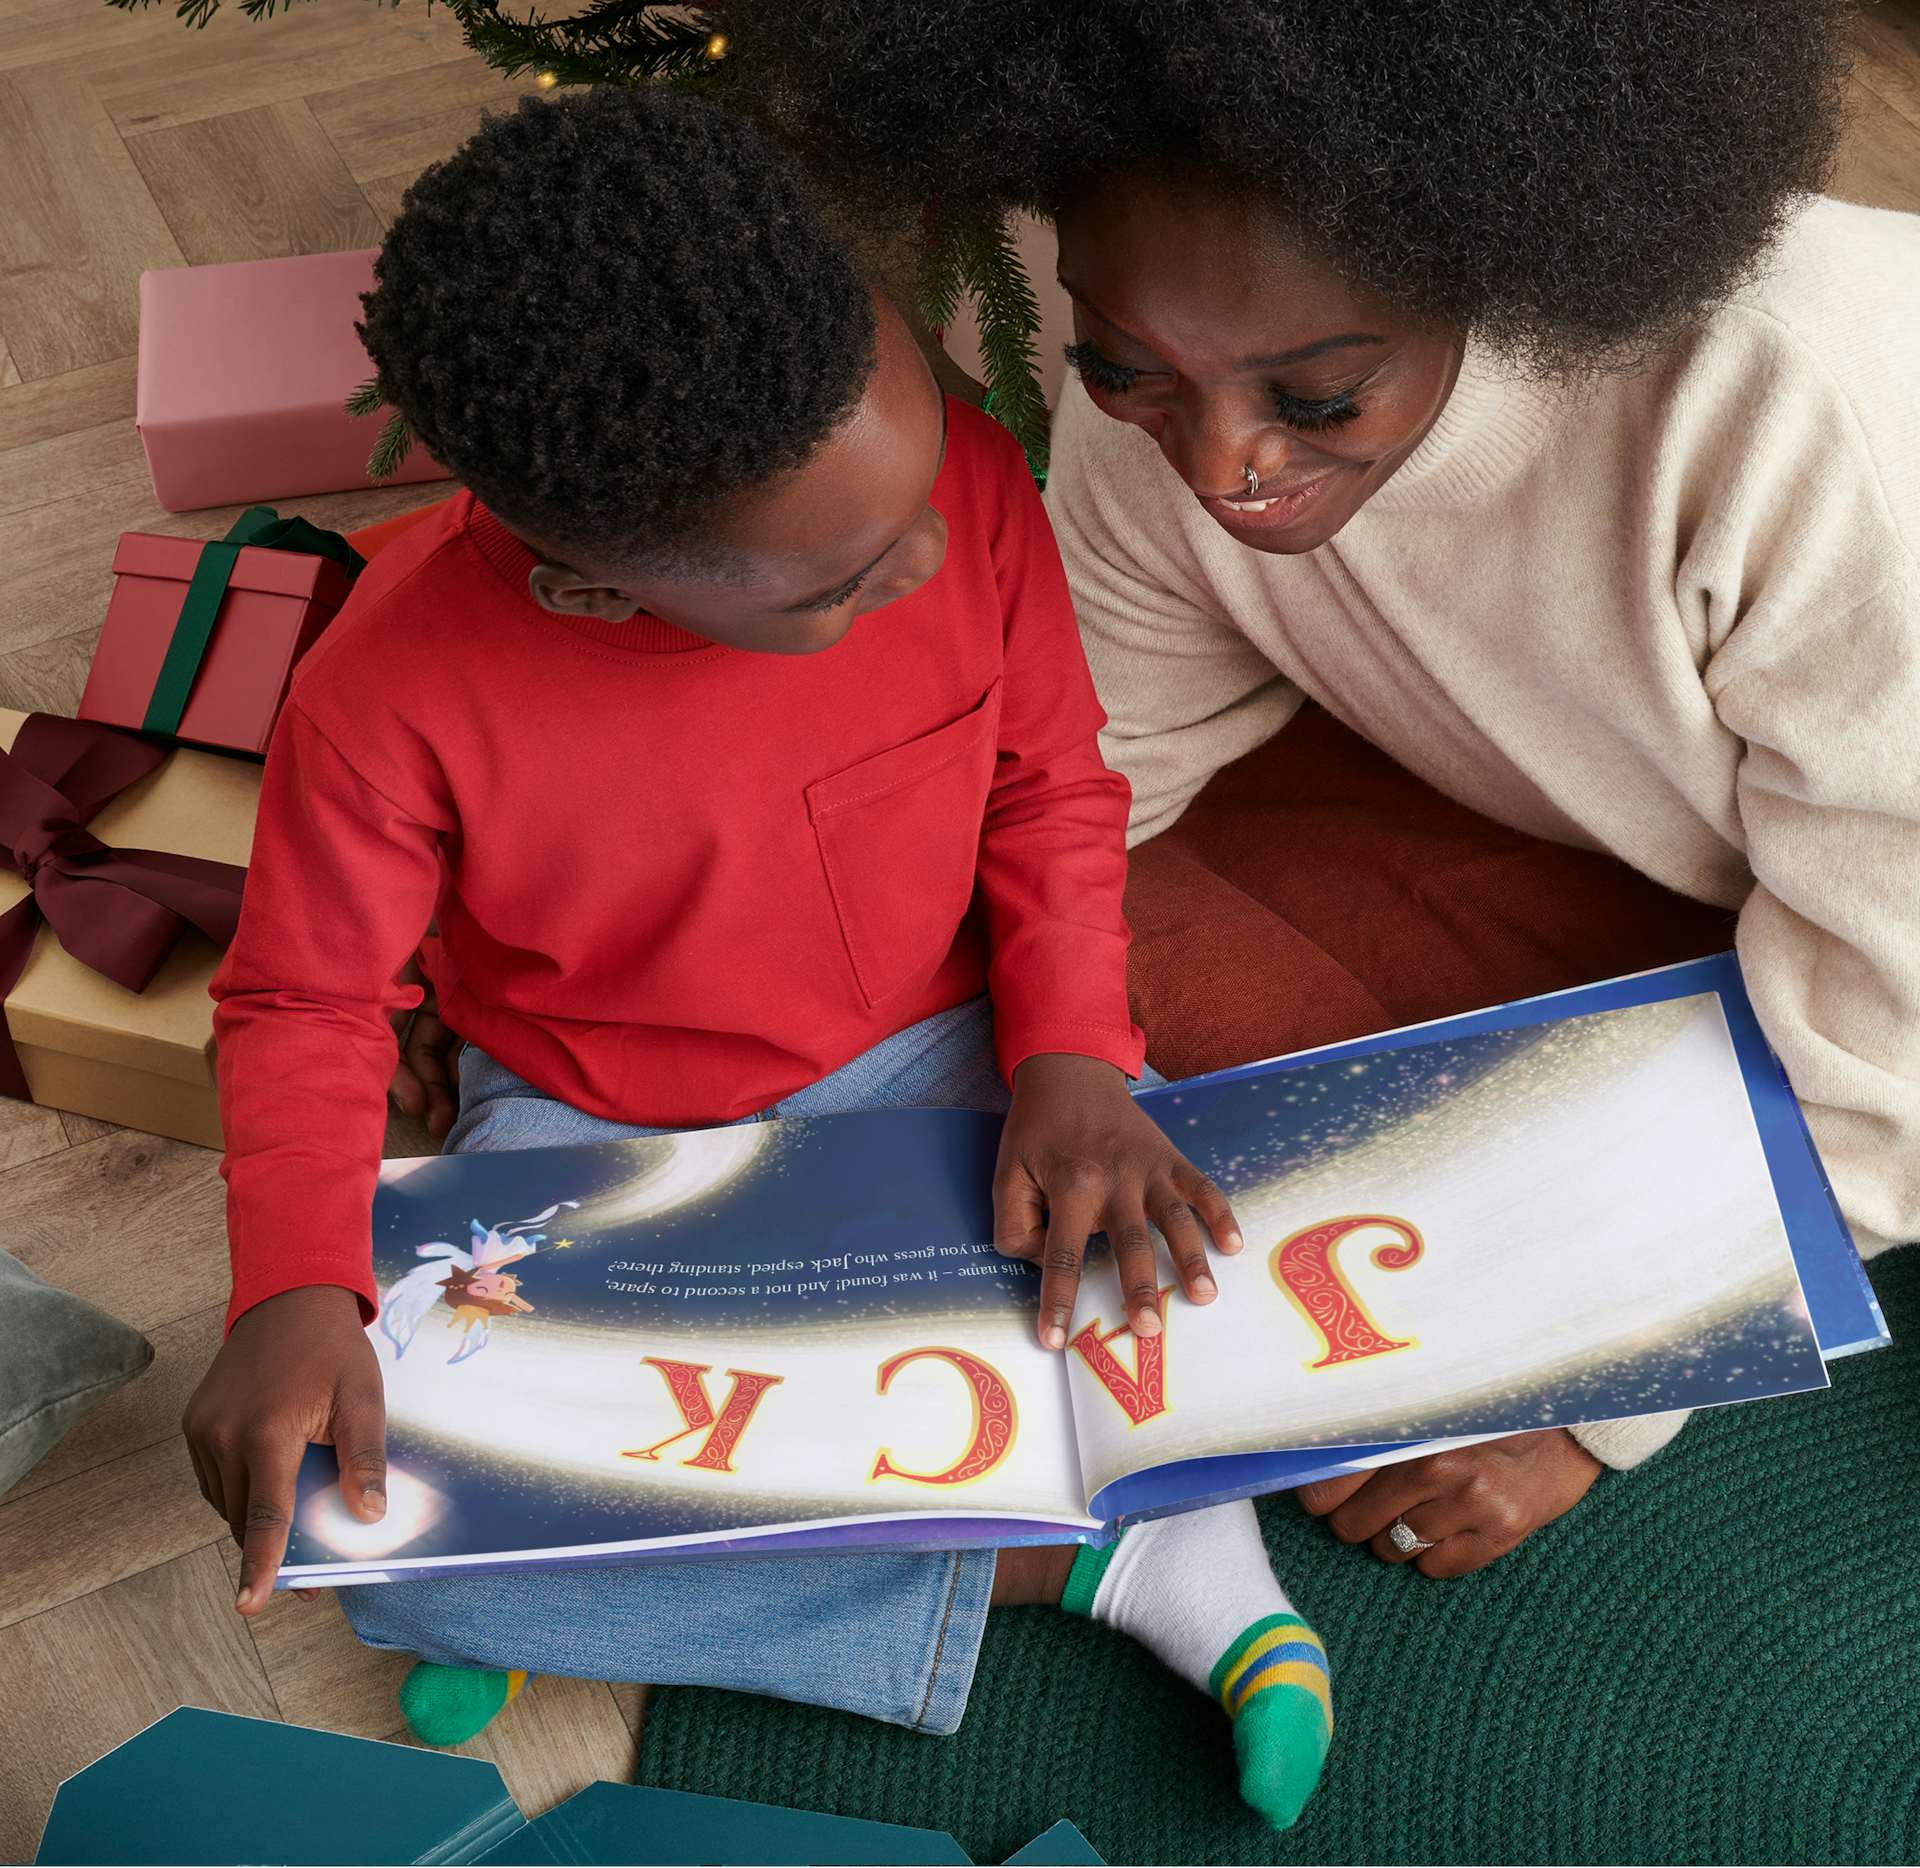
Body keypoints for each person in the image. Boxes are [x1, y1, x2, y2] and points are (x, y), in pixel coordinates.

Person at [182, 87, 1335, 1832]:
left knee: (1178, 1274)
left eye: (930, 468)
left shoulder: (949, 471)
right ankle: (1085, 1563)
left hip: (943, 1050)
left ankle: (1138, 1546)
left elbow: (1050, 794)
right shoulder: (384, 687)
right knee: (380, 1542)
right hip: (583, 1125)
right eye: (846, 585)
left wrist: (1074, 1060)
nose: (940, 549)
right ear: (586, 583)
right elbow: (305, 1000)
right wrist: (289, 1290)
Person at [707, 0, 1917, 1570]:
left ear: (1497, 266)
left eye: (1318, 398)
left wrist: (1590, 1398)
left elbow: (1894, 1010)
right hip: (1675, 831)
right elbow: (1077, 779)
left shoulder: (1798, 428)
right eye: (1132, 370)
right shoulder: (1153, 415)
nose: (1221, 468)